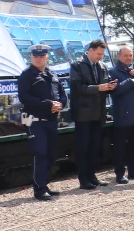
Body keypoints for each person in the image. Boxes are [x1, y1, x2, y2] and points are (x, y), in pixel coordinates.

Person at [17, 45, 67, 201]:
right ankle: (39, 190)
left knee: (51, 154)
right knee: (40, 153)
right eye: (35, 56)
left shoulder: (52, 74)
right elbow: (25, 98)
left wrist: (60, 104)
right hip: (35, 121)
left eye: (41, 56)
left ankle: (45, 185)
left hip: (51, 120)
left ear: (47, 57)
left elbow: (62, 94)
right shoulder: (26, 75)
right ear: (31, 57)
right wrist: (48, 104)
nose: (38, 59)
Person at [69, 39, 116, 190]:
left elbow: (105, 83)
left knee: (94, 147)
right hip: (83, 114)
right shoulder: (77, 66)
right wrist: (98, 88)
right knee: (83, 147)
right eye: (98, 54)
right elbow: (77, 88)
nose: (100, 57)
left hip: (98, 113)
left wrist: (111, 86)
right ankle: (83, 179)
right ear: (90, 50)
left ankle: (92, 176)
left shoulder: (102, 66)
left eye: (102, 54)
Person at [108, 46, 134, 183]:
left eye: (130, 55)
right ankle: (120, 174)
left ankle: (133, 171)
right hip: (122, 116)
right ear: (119, 56)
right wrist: (130, 81)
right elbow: (115, 91)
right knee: (120, 146)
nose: (128, 58)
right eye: (125, 55)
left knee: (133, 145)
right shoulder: (113, 72)